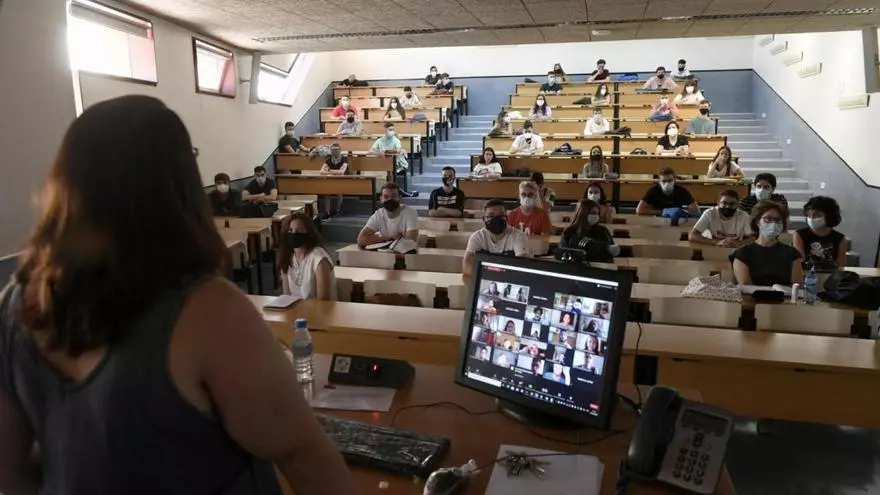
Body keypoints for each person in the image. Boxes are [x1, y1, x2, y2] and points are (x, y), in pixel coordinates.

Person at [0, 95, 356, 494]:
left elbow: (10, 474)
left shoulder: (16, 303)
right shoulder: (208, 310)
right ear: (178, 183)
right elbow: (303, 457)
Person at [731, 201, 803, 286]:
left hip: (784, 295)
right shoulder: (742, 254)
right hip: (752, 295)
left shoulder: (792, 254)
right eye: (768, 219)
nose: (773, 223)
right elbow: (746, 285)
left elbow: (796, 286)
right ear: (757, 222)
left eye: (778, 220)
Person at [463, 199, 531, 276]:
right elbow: (467, 267)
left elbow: (523, 267)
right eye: (491, 216)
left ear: (506, 217)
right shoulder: (477, 237)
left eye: (501, 215)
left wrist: (488, 273)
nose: (496, 219)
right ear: (484, 219)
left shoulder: (518, 236)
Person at [279, 213, 336, 300]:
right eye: (290, 230)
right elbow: (286, 296)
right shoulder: (287, 256)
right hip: (296, 308)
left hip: (319, 308)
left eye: (300, 230)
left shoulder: (319, 259)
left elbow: (323, 300)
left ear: (309, 233)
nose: (294, 234)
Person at [357, 182, 419, 248]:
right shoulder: (378, 215)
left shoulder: (410, 213)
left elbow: (410, 241)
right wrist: (386, 238)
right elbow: (361, 240)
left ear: (400, 198)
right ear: (381, 199)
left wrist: (378, 238)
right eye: (386, 197)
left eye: (393, 196)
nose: (390, 199)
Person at [793, 196, 847, 269]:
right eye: (809, 215)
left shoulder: (839, 238)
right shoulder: (799, 234)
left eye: (817, 215)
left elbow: (841, 265)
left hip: (831, 275)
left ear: (829, 216)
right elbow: (799, 262)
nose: (812, 218)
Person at [689, 189, 753, 247]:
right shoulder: (709, 213)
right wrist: (717, 242)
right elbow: (692, 235)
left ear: (737, 205)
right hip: (713, 247)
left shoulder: (744, 216)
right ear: (718, 203)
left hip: (735, 249)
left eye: (732, 204)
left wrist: (739, 243)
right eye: (724, 203)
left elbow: (752, 238)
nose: (728, 206)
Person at [319, 144, 349, 218]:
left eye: (336, 149)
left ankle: (338, 210)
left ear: (340, 150)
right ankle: (327, 213)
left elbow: (341, 172)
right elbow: (321, 171)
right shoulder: (329, 159)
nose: (334, 151)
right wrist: (334, 172)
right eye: (333, 150)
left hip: (342, 180)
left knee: (339, 191)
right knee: (326, 193)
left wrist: (329, 170)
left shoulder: (344, 159)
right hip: (331, 180)